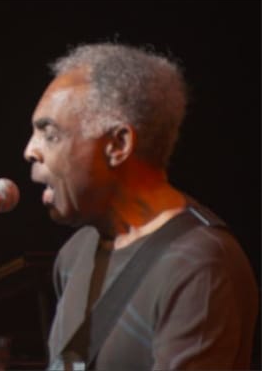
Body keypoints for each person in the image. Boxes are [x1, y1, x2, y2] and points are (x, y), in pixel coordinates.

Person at [23, 42, 258, 370]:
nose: (30, 151)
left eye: (51, 135)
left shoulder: (200, 266)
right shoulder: (75, 254)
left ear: (118, 144)